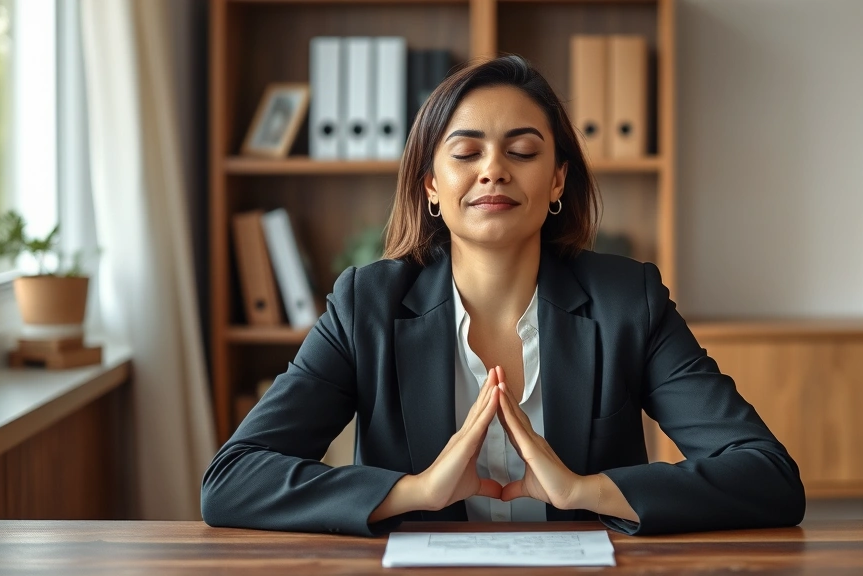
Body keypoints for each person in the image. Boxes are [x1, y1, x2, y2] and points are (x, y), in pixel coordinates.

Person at [201, 55, 805, 537]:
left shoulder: (628, 301)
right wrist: (416, 491)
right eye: (466, 153)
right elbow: (232, 480)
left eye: (522, 151)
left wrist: (583, 490)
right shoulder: (367, 305)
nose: (494, 170)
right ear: (431, 184)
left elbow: (767, 475)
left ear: (558, 179)